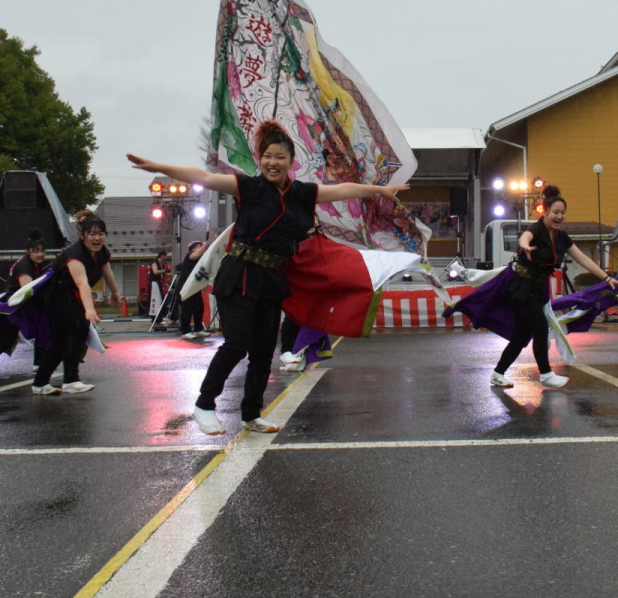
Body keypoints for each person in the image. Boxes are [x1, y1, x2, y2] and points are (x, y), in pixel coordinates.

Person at [127, 118, 409, 435]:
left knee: (263, 352)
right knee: (236, 344)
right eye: (267, 156)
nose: (272, 162)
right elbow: (204, 177)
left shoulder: (302, 193)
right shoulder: (248, 187)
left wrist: (379, 190)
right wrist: (160, 168)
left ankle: (251, 414)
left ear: (291, 162)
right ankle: (205, 404)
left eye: (279, 157)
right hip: (239, 276)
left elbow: (342, 190)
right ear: (260, 159)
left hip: (272, 280)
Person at [448, 185, 618, 389]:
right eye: (556, 212)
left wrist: (607, 278)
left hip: (538, 289)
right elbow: (525, 237)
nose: (559, 216)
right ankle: (546, 374)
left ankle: (498, 373)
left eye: (563, 213)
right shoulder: (536, 229)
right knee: (540, 327)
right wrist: (524, 245)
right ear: (546, 212)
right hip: (521, 288)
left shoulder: (562, 237)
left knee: (522, 335)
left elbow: (583, 258)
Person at [31, 215, 120, 395]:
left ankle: (40, 383)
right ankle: (70, 380)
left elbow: (106, 271)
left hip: (73, 296)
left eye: (101, 234)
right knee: (74, 332)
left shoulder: (102, 252)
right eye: (92, 234)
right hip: (57, 295)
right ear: (82, 235)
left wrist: (115, 293)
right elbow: (82, 283)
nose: (97, 238)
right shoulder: (74, 254)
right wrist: (89, 309)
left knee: (63, 340)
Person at [0, 230, 49, 376]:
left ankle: (38, 364)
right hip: (14, 307)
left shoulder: (32, 263)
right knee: (10, 338)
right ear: (28, 251)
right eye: (36, 251)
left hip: (18, 306)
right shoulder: (25, 266)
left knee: (37, 331)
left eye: (43, 251)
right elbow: (28, 291)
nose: (40, 254)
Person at [177, 240, 211, 339]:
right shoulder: (190, 256)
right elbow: (196, 255)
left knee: (199, 309)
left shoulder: (200, 262)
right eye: (199, 246)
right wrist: (204, 245)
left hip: (195, 288)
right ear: (193, 248)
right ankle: (185, 331)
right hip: (185, 288)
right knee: (187, 310)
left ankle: (198, 329)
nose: (202, 248)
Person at [149, 251, 170, 319]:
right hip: (154, 283)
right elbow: (155, 272)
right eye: (166, 256)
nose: (166, 257)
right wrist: (164, 271)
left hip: (159, 283)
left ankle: (160, 316)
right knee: (155, 299)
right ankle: (154, 316)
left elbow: (165, 274)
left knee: (161, 299)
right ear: (162, 256)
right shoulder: (155, 262)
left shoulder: (162, 264)